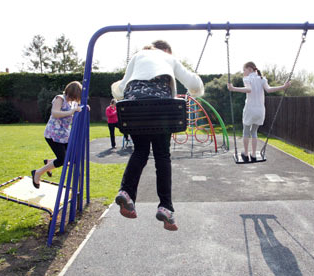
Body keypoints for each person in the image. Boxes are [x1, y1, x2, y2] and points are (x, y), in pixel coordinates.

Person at [111, 40, 204, 231]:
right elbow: (193, 83)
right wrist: (195, 91)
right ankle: (165, 207)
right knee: (162, 156)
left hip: (134, 108)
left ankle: (127, 192)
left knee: (140, 151)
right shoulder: (168, 57)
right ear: (167, 51)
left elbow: (121, 88)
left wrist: (117, 90)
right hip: (162, 109)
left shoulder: (137, 56)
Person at [227, 62, 291, 162]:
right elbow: (269, 90)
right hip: (260, 110)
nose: (243, 72)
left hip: (250, 109)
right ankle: (253, 154)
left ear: (250, 69)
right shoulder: (262, 79)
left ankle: (246, 153)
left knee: (246, 131)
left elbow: (248, 89)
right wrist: (283, 87)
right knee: (254, 132)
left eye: (244, 70)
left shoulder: (247, 79)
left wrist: (233, 88)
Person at [31, 81, 84, 188]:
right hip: (53, 134)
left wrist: (83, 109)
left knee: (71, 158)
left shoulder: (71, 104)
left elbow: (72, 116)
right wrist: (71, 112)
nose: (76, 98)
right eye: (76, 95)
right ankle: (37, 173)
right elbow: (55, 113)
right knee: (62, 160)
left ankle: (49, 162)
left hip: (64, 135)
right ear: (73, 92)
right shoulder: (60, 98)